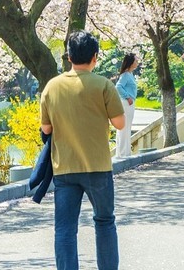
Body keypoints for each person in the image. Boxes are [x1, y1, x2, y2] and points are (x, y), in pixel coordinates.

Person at [40, 30, 125, 270]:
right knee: (105, 221)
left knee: (65, 228)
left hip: (64, 168)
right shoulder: (104, 85)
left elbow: (46, 128)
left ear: (68, 56)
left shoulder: (52, 87)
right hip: (98, 167)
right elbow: (119, 123)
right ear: (95, 57)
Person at [113, 53, 139, 159]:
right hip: (126, 103)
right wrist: (127, 97)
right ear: (131, 62)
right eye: (136, 60)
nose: (137, 62)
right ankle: (123, 153)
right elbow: (118, 86)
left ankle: (125, 152)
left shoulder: (130, 74)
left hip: (129, 103)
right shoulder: (125, 75)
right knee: (124, 127)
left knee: (127, 127)